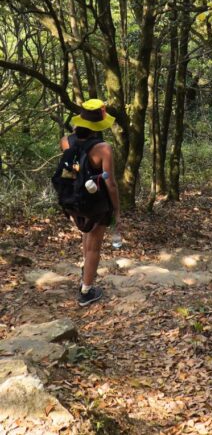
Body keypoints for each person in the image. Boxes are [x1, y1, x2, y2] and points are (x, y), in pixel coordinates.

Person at [61, 99, 120, 306]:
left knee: (87, 235)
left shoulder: (66, 141)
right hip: (96, 203)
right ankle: (86, 292)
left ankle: (86, 274)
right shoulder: (104, 148)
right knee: (95, 245)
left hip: (73, 200)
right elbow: (110, 182)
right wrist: (117, 209)